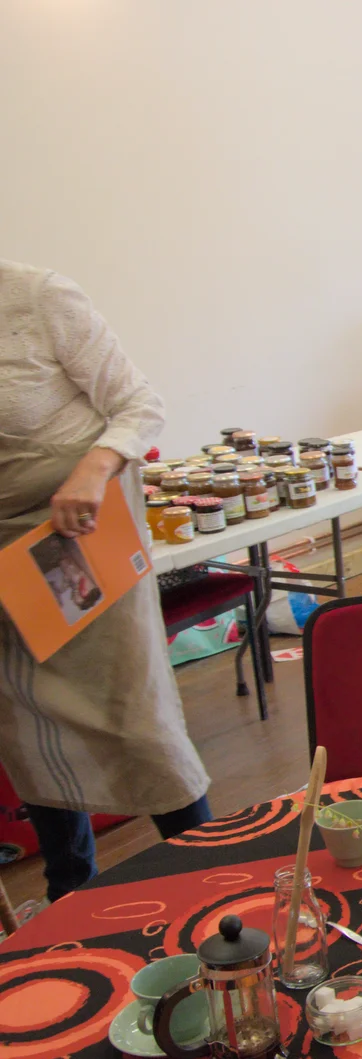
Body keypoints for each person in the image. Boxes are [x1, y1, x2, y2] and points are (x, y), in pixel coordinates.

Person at [0, 260, 212, 901]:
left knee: (132, 715)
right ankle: (69, 886)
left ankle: (204, 871)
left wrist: (92, 472)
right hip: (6, 543)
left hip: (81, 526)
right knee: (25, 719)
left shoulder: (37, 298)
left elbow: (139, 404)